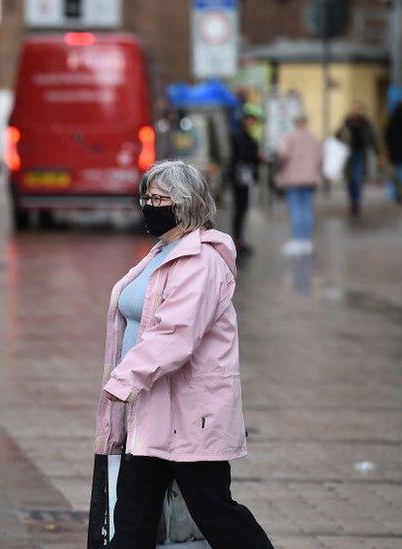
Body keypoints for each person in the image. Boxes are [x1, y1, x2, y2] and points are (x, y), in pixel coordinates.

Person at [92, 160, 272, 548]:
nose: (149, 205)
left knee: (217, 514)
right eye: (147, 197)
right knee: (132, 520)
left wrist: (123, 380)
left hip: (193, 415)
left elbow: (176, 335)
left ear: (186, 204)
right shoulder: (161, 253)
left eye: (160, 198)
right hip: (152, 408)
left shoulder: (202, 261)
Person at [276, 114, 322, 256]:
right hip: (309, 178)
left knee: (295, 209)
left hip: (293, 178)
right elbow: (320, 158)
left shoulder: (289, 137)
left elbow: (282, 155)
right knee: (307, 209)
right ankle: (307, 241)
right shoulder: (314, 138)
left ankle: (297, 240)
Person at [337, 100, 378, 216]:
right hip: (348, 154)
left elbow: (373, 138)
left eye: (359, 109)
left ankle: (356, 202)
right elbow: (338, 136)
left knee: (358, 178)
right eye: (355, 108)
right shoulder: (346, 122)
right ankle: (352, 200)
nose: (357, 111)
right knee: (350, 180)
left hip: (361, 154)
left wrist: (378, 153)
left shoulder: (367, 123)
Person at [230, 112, 260, 255]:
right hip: (240, 177)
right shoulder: (241, 137)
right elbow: (244, 155)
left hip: (242, 177)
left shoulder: (243, 136)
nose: (252, 123)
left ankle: (239, 239)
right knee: (240, 208)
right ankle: (237, 240)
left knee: (242, 209)